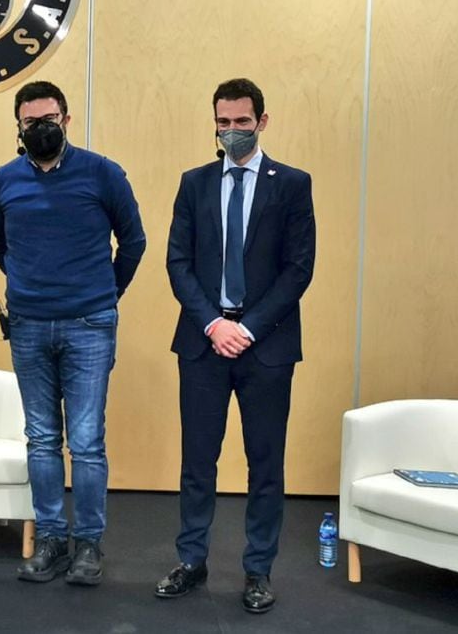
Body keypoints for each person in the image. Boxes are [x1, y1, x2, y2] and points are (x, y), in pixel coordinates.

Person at [155, 78, 315, 614]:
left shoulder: (291, 184)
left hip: (266, 346)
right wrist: (213, 324)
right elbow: (178, 262)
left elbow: (298, 269)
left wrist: (248, 327)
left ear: (262, 122)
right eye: (222, 122)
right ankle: (191, 561)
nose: (231, 132)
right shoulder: (194, 183)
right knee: (198, 461)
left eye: (241, 122)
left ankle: (258, 570)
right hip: (204, 344)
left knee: (264, 464)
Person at [0, 80, 145, 587]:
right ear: (18, 125)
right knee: (41, 439)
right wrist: (30, 286)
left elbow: (134, 242)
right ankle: (52, 540)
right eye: (31, 122)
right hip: (29, 324)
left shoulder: (102, 173)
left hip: (90, 324)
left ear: (67, 120)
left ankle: (88, 545)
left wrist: (104, 294)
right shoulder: (4, 180)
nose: (41, 128)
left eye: (50, 118)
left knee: (87, 440)